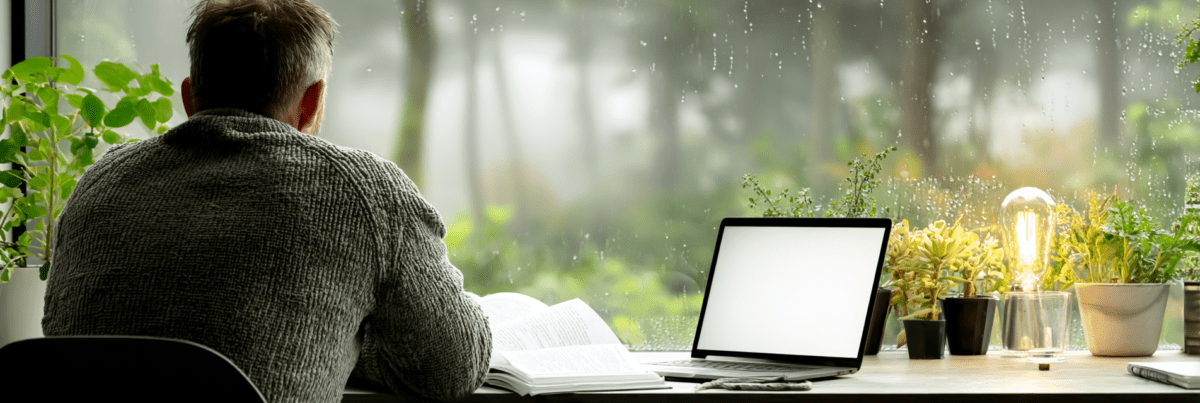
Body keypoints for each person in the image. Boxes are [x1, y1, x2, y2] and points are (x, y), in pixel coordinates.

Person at [40, 1, 492, 402]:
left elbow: (62, 332)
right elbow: (451, 368)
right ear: (312, 102)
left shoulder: (98, 182)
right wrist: (336, 337)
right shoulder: (365, 191)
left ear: (189, 97)